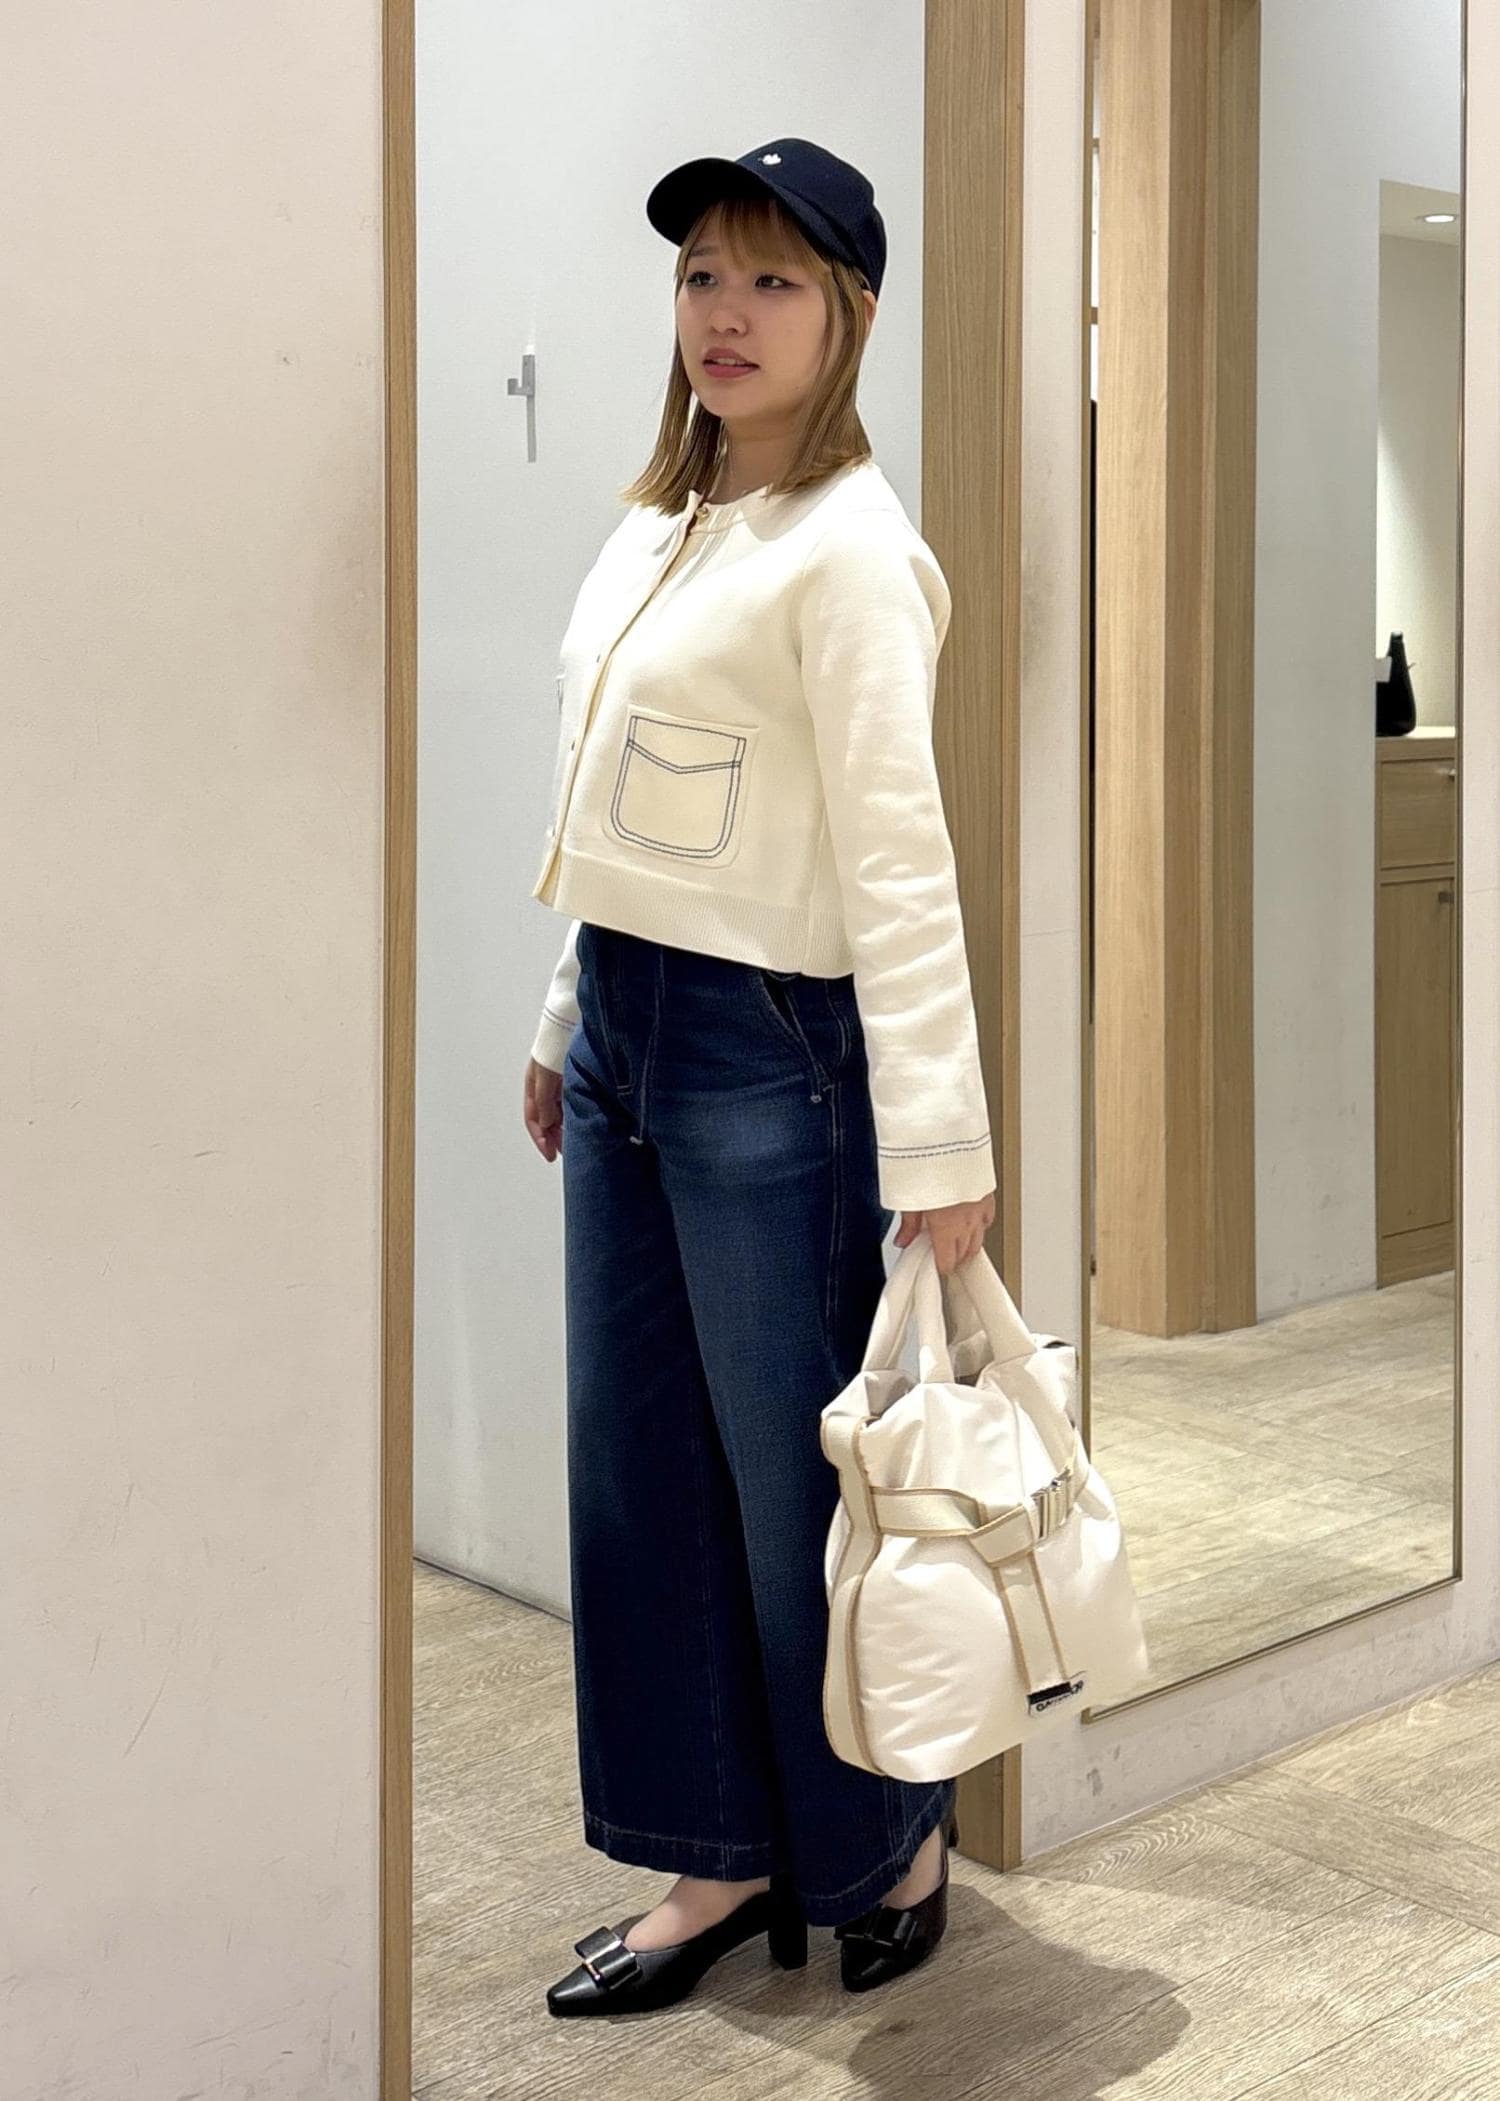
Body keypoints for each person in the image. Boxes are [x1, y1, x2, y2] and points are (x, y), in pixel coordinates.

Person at [521, 138, 997, 2016]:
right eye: (702, 276)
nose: (725, 314)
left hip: (769, 1050)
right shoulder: (664, 520)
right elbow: (616, 804)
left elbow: (903, 862)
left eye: (771, 281)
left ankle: (889, 1841)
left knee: (804, 1489)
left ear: (848, 315)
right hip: (630, 1038)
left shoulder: (854, 551)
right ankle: (713, 1851)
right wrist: (565, 1017)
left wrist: (940, 1143)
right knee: (639, 1472)